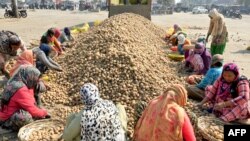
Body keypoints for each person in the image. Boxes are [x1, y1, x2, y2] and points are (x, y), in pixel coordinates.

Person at [0, 66, 50, 131]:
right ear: (30, 76)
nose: (36, 80)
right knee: (25, 118)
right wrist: (44, 113)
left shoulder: (19, 81)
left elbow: (35, 90)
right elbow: (33, 111)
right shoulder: (21, 89)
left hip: (8, 110)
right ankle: (10, 126)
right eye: (36, 78)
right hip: (7, 117)